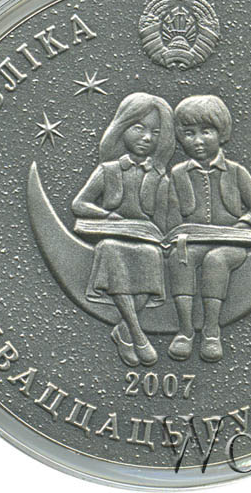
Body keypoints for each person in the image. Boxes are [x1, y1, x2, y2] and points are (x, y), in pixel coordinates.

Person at [167, 95, 251, 362]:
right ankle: (185, 330)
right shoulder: (178, 174)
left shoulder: (235, 172)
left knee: (216, 260)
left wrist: (242, 226)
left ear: (222, 133)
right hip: (192, 242)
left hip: (230, 245)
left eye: (206, 132)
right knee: (180, 258)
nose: (198, 141)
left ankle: (212, 330)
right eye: (189, 133)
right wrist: (175, 232)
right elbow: (171, 214)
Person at [72, 93, 174, 367]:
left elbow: (163, 220)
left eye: (155, 132)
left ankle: (124, 330)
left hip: (146, 241)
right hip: (113, 237)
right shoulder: (108, 170)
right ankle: (137, 334)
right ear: (122, 128)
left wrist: (165, 236)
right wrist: (107, 215)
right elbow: (79, 204)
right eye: (139, 128)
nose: (147, 138)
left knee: (151, 254)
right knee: (110, 249)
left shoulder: (160, 177)